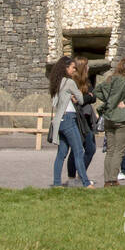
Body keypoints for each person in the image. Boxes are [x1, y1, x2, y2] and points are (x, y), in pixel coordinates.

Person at [48, 56, 94, 189]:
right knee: (79, 150)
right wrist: (81, 94)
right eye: (73, 67)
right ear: (66, 68)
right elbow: (80, 99)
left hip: (59, 121)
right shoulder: (69, 82)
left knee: (61, 153)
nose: (75, 70)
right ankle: (86, 183)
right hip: (68, 119)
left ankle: (57, 183)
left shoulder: (56, 82)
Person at [96, 57, 125, 187]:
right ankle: (112, 180)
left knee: (110, 150)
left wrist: (109, 101)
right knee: (119, 151)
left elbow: (97, 90)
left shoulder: (111, 79)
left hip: (109, 117)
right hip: (123, 118)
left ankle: (107, 180)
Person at [65, 58, 98, 183]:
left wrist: (84, 98)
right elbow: (77, 100)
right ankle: (73, 177)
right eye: (87, 66)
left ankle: (80, 175)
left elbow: (93, 97)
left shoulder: (86, 82)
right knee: (77, 148)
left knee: (90, 149)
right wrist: (84, 97)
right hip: (78, 119)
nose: (89, 68)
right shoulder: (72, 81)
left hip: (87, 118)